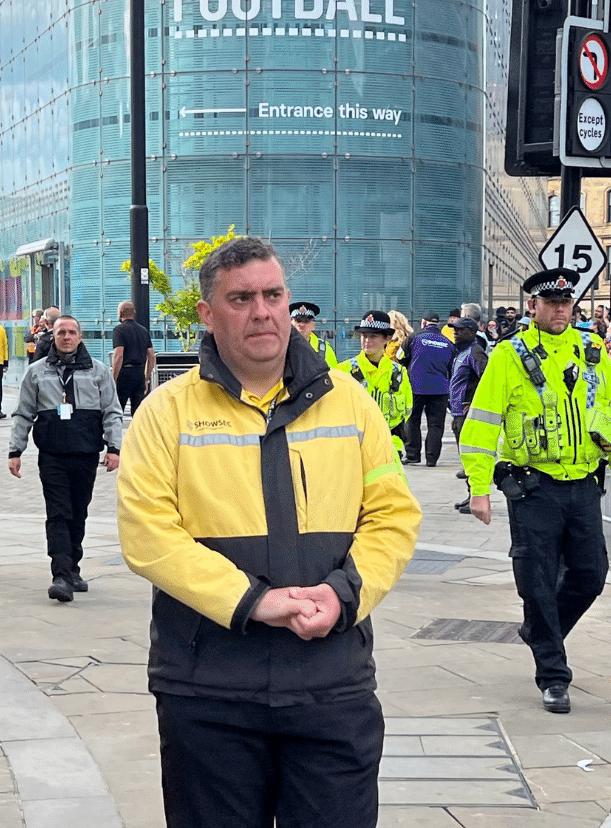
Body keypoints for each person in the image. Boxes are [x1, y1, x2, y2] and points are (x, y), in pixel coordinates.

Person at [116, 236, 421, 828]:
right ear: (207, 313)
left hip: (331, 684)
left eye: (274, 294)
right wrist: (253, 601)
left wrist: (342, 594)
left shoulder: (351, 404)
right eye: (242, 298)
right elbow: (147, 534)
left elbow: (393, 515)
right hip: (208, 692)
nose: (263, 311)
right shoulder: (166, 411)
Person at [458, 268, 611, 714]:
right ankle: (554, 675)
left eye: (566, 302)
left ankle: (539, 630)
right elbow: (480, 425)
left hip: (582, 485)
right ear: (532, 308)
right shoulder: (509, 355)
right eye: (550, 303)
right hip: (533, 487)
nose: (560, 310)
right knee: (536, 583)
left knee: (591, 575)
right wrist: (480, 489)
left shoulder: (592, 351)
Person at [8, 315, 124, 602]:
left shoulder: (98, 372)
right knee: (58, 512)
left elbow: (112, 410)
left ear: (80, 336)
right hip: (52, 454)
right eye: (62, 332)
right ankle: (60, 573)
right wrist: (15, 450)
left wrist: (114, 448)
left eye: (72, 332)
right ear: (54, 335)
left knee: (78, 512)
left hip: (86, 453)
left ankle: (73, 566)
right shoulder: (37, 372)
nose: (67, 337)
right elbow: (23, 413)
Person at [337, 310, 415, 458]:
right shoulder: (343, 370)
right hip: (354, 450)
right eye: (364, 336)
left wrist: (396, 446)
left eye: (373, 336)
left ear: (387, 338)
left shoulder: (398, 373)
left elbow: (405, 412)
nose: (367, 340)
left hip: (389, 449)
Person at [399, 312, 455, 467]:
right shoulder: (448, 342)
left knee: (412, 420)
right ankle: (432, 458)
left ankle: (412, 455)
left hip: (416, 386)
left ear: (423, 322)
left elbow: (399, 357)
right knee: (436, 425)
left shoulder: (414, 337)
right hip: (440, 388)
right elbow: (453, 365)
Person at [447, 317, 489, 479]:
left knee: (471, 449)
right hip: (457, 410)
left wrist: (474, 402)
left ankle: (473, 484)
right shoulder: (461, 352)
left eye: (460, 330)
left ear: (471, 332)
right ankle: (469, 474)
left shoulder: (475, 351)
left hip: (467, 411)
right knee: (463, 447)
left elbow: (486, 377)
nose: (455, 333)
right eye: (454, 329)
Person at [111, 300, 155, 415]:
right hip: (139, 373)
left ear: (120, 313)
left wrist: (113, 378)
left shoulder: (119, 330)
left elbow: (119, 355)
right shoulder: (143, 330)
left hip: (124, 373)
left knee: (117, 410)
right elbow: (151, 355)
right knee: (138, 413)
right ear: (134, 312)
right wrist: (146, 377)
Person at [289, 301, 339, 366]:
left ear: (313, 325)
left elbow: (333, 373)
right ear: (290, 323)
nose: (301, 324)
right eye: (298, 320)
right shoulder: (281, 346)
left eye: (306, 321)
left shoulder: (324, 349)